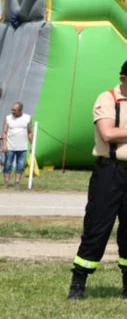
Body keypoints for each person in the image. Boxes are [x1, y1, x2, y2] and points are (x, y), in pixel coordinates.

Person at [67, 62, 127, 300]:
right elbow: (108, 133)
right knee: (97, 227)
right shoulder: (108, 98)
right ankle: (78, 282)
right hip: (109, 173)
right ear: (124, 78)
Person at [2, 102, 33, 188]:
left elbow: (30, 132)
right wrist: (4, 145)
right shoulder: (8, 118)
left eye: (14, 110)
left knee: (20, 165)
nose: (12, 112)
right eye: (12, 110)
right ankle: (6, 182)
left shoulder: (27, 118)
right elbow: (4, 132)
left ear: (20, 110)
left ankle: (17, 182)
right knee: (8, 164)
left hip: (22, 147)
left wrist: (32, 145)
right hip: (10, 146)